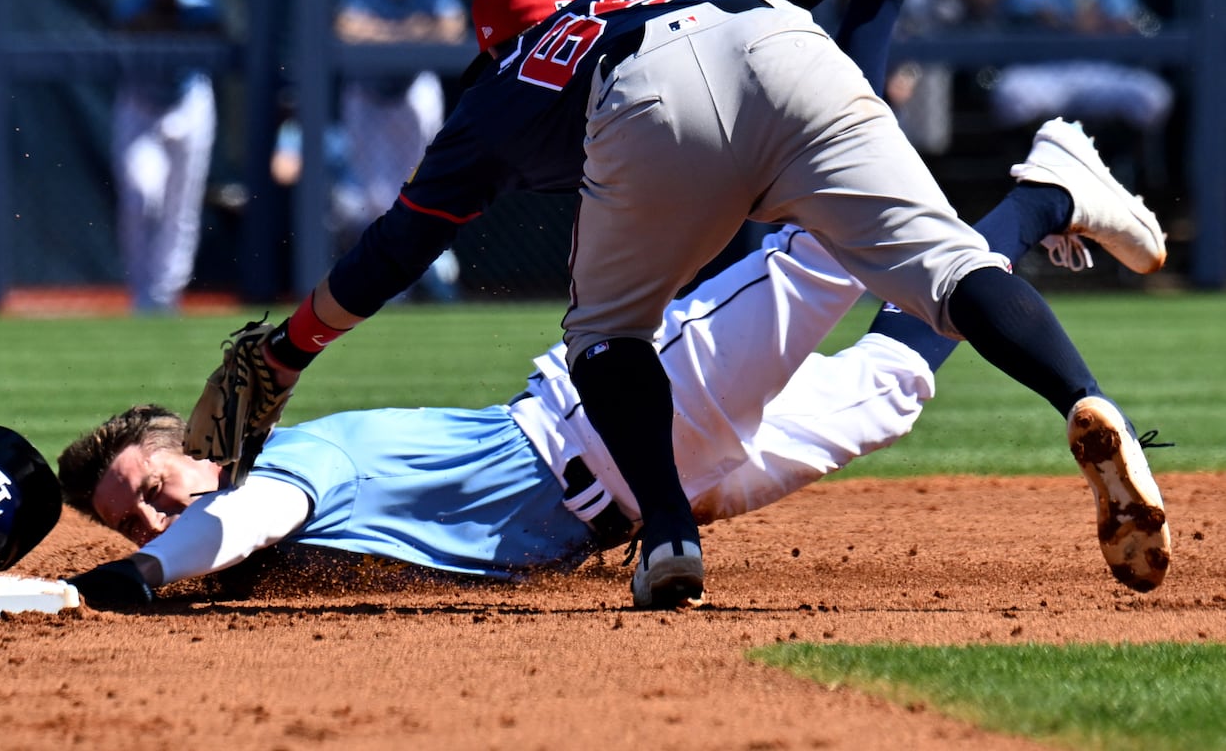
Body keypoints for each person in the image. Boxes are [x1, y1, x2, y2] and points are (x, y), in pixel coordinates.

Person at [213, 0, 1170, 609]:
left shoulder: (501, 90)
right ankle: (1087, 396)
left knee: (606, 338)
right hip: (771, 37)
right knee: (950, 276)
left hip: (650, 113)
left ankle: (668, 536)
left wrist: (293, 347)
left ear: (496, 45)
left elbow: (396, 248)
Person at [59, 120, 1168, 609]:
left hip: (619, 416)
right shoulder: (263, 548)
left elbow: (234, 523)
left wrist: (144, 575)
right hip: (657, 497)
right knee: (894, 387)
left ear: (195, 453)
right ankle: (1046, 195)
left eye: (155, 490)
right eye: (133, 524)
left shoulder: (289, 471)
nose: (157, 519)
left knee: (829, 237)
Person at [987, 0, 1174, 192]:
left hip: (1098, 71)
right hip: (1047, 72)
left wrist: (1100, 23)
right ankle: (1025, 179)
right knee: (1010, 96)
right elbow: (1018, 18)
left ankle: (1126, 179)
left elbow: (1130, 23)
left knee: (1152, 96)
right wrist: (1063, 21)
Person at [333, 0, 469, 299]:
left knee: (421, 181)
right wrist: (412, 29)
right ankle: (393, 283)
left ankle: (430, 272)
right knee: (373, 195)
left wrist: (382, 32)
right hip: (368, 93)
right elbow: (346, 28)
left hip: (412, 89)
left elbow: (451, 27)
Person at [110, 0, 227, 314]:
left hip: (188, 102)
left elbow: (219, 27)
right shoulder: (133, 5)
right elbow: (131, 25)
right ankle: (141, 289)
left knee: (182, 204)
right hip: (141, 104)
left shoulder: (200, 2)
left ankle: (166, 293)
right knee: (141, 194)